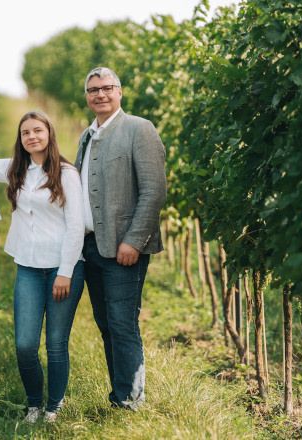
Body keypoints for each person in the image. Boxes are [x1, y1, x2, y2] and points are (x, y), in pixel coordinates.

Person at [0, 111, 85, 424]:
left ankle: (53, 407)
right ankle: (34, 403)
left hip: (63, 267)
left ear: (49, 133)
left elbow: (76, 227)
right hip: (29, 268)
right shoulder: (17, 169)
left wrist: (66, 272)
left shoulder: (67, 174)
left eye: (37, 131)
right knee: (25, 344)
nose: (31, 137)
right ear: (21, 140)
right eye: (25, 133)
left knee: (56, 343)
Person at [76, 67, 166, 410]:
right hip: (92, 247)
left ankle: (130, 401)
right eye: (93, 89)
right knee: (106, 324)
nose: (100, 94)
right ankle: (121, 394)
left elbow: (154, 190)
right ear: (87, 96)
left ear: (120, 92)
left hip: (125, 248)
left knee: (122, 323)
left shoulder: (139, 129)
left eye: (107, 88)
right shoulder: (87, 135)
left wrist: (134, 240)